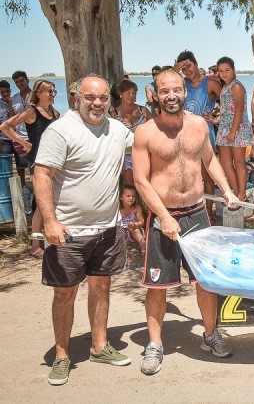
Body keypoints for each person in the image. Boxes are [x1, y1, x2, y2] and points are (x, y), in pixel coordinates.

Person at [132, 69, 238, 375]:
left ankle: (210, 335)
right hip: (161, 217)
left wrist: (227, 190)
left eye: (176, 90)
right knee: (157, 285)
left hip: (197, 213)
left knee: (204, 281)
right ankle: (155, 345)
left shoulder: (199, 125)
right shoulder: (146, 132)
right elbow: (140, 180)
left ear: (184, 92)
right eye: (164, 91)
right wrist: (164, 217)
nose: (171, 96)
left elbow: (210, 160)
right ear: (155, 93)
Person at [33, 74, 133, 385]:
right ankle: (62, 355)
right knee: (65, 293)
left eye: (103, 97)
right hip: (69, 230)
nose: (97, 103)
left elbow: (148, 147)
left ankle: (99, 346)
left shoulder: (118, 130)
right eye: (90, 97)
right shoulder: (60, 131)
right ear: (76, 98)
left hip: (107, 228)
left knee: (101, 287)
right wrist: (49, 221)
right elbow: (41, 175)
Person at [1, 79, 61, 258]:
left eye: (54, 91)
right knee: (41, 206)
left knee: (53, 203)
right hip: (38, 162)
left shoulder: (55, 113)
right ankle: (35, 245)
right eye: (49, 91)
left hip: (55, 163)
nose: (52, 95)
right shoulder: (31, 112)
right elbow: (5, 126)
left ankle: (52, 240)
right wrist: (23, 142)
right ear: (39, 94)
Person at [173, 50, 221, 218]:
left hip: (205, 136)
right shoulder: (181, 82)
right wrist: (174, 70)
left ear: (196, 63)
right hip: (184, 135)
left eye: (189, 66)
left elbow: (230, 103)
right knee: (187, 175)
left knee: (207, 176)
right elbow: (164, 84)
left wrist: (216, 119)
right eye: (183, 68)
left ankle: (209, 211)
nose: (187, 71)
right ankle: (191, 209)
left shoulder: (210, 83)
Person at [215, 57, 254, 201]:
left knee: (239, 162)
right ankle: (236, 192)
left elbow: (239, 110)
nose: (224, 74)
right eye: (220, 71)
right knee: (225, 163)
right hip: (224, 128)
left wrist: (233, 132)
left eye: (227, 70)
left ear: (233, 70)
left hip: (237, 129)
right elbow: (226, 110)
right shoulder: (225, 86)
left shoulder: (236, 86)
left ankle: (242, 193)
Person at [109, 80, 152, 185]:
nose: (131, 95)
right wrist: (119, 160)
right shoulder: (114, 115)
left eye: (134, 93)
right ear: (120, 94)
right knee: (130, 187)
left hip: (145, 152)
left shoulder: (143, 110)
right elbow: (112, 141)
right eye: (128, 93)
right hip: (126, 154)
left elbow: (153, 131)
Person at [10, 70, 32, 181]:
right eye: (17, 82)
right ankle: (24, 187)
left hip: (34, 135)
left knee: (35, 164)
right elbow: (11, 120)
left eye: (22, 80)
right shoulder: (13, 99)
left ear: (27, 80)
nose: (20, 84)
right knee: (21, 164)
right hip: (19, 136)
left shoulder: (36, 96)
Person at [119, 183, 145, 250]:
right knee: (119, 231)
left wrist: (135, 224)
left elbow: (141, 221)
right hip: (122, 231)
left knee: (135, 230)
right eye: (128, 196)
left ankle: (142, 243)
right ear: (121, 197)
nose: (131, 198)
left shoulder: (136, 208)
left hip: (134, 230)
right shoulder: (118, 209)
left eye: (133, 196)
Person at [0, 80, 13, 154]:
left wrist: (10, 105)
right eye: (2, 92)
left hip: (18, 137)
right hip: (3, 139)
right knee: (5, 164)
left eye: (7, 91)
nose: (5, 94)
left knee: (22, 165)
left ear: (10, 91)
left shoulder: (15, 102)